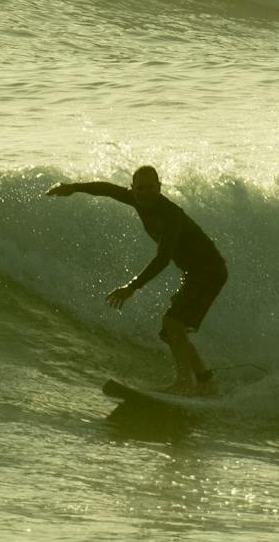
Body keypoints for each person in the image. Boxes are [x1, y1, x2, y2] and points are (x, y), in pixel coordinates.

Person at [46, 165, 228, 396]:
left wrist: (131, 287)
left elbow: (162, 259)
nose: (145, 193)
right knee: (172, 331)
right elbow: (108, 189)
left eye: (151, 188)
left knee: (173, 325)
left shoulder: (171, 215)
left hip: (209, 271)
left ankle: (184, 383)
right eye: (139, 188)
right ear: (133, 189)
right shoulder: (136, 198)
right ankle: (204, 380)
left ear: (159, 188)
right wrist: (73, 187)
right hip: (194, 272)